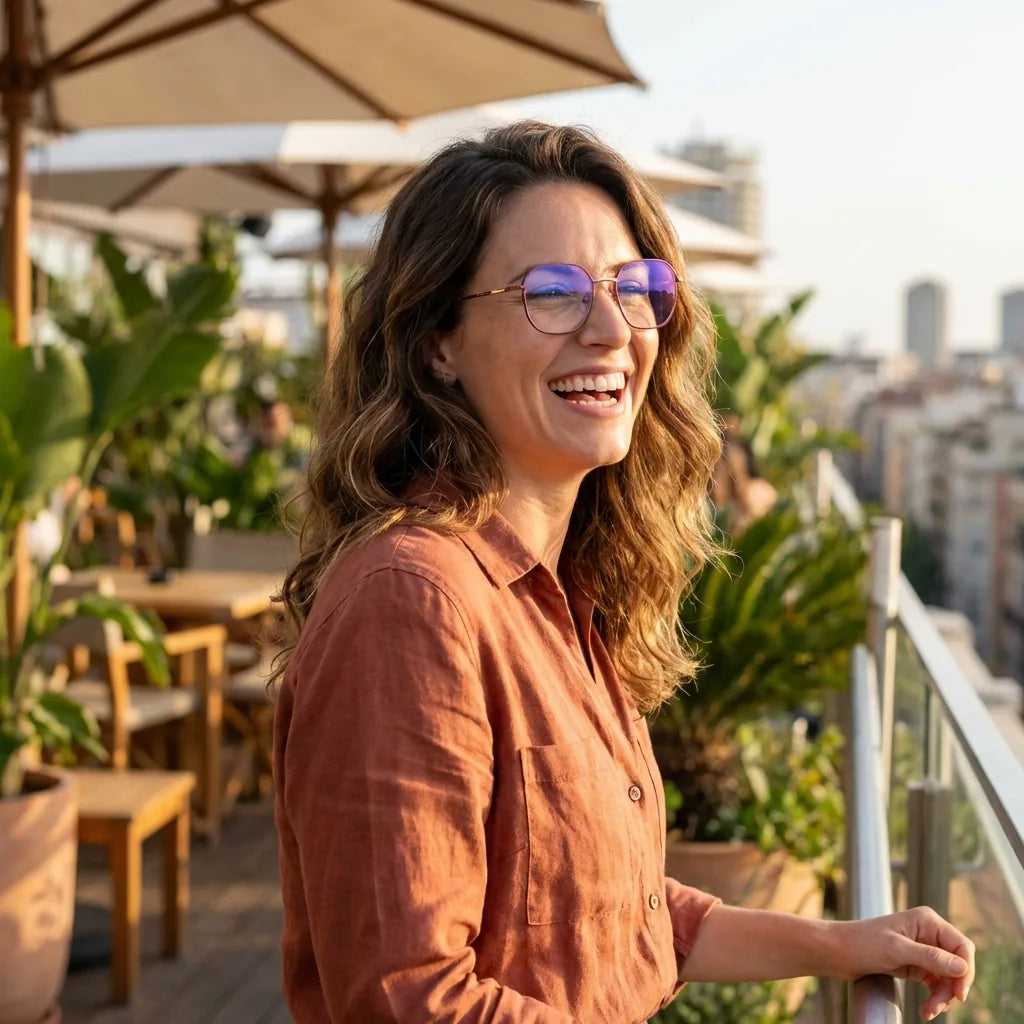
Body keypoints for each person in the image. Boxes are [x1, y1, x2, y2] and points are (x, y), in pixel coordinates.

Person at [272, 122, 974, 1024]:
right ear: (437, 341)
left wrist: (840, 943)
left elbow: (613, 920)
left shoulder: (564, 591)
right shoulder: (413, 601)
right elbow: (409, 999)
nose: (610, 330)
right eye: (552, 293)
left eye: (634, 288)